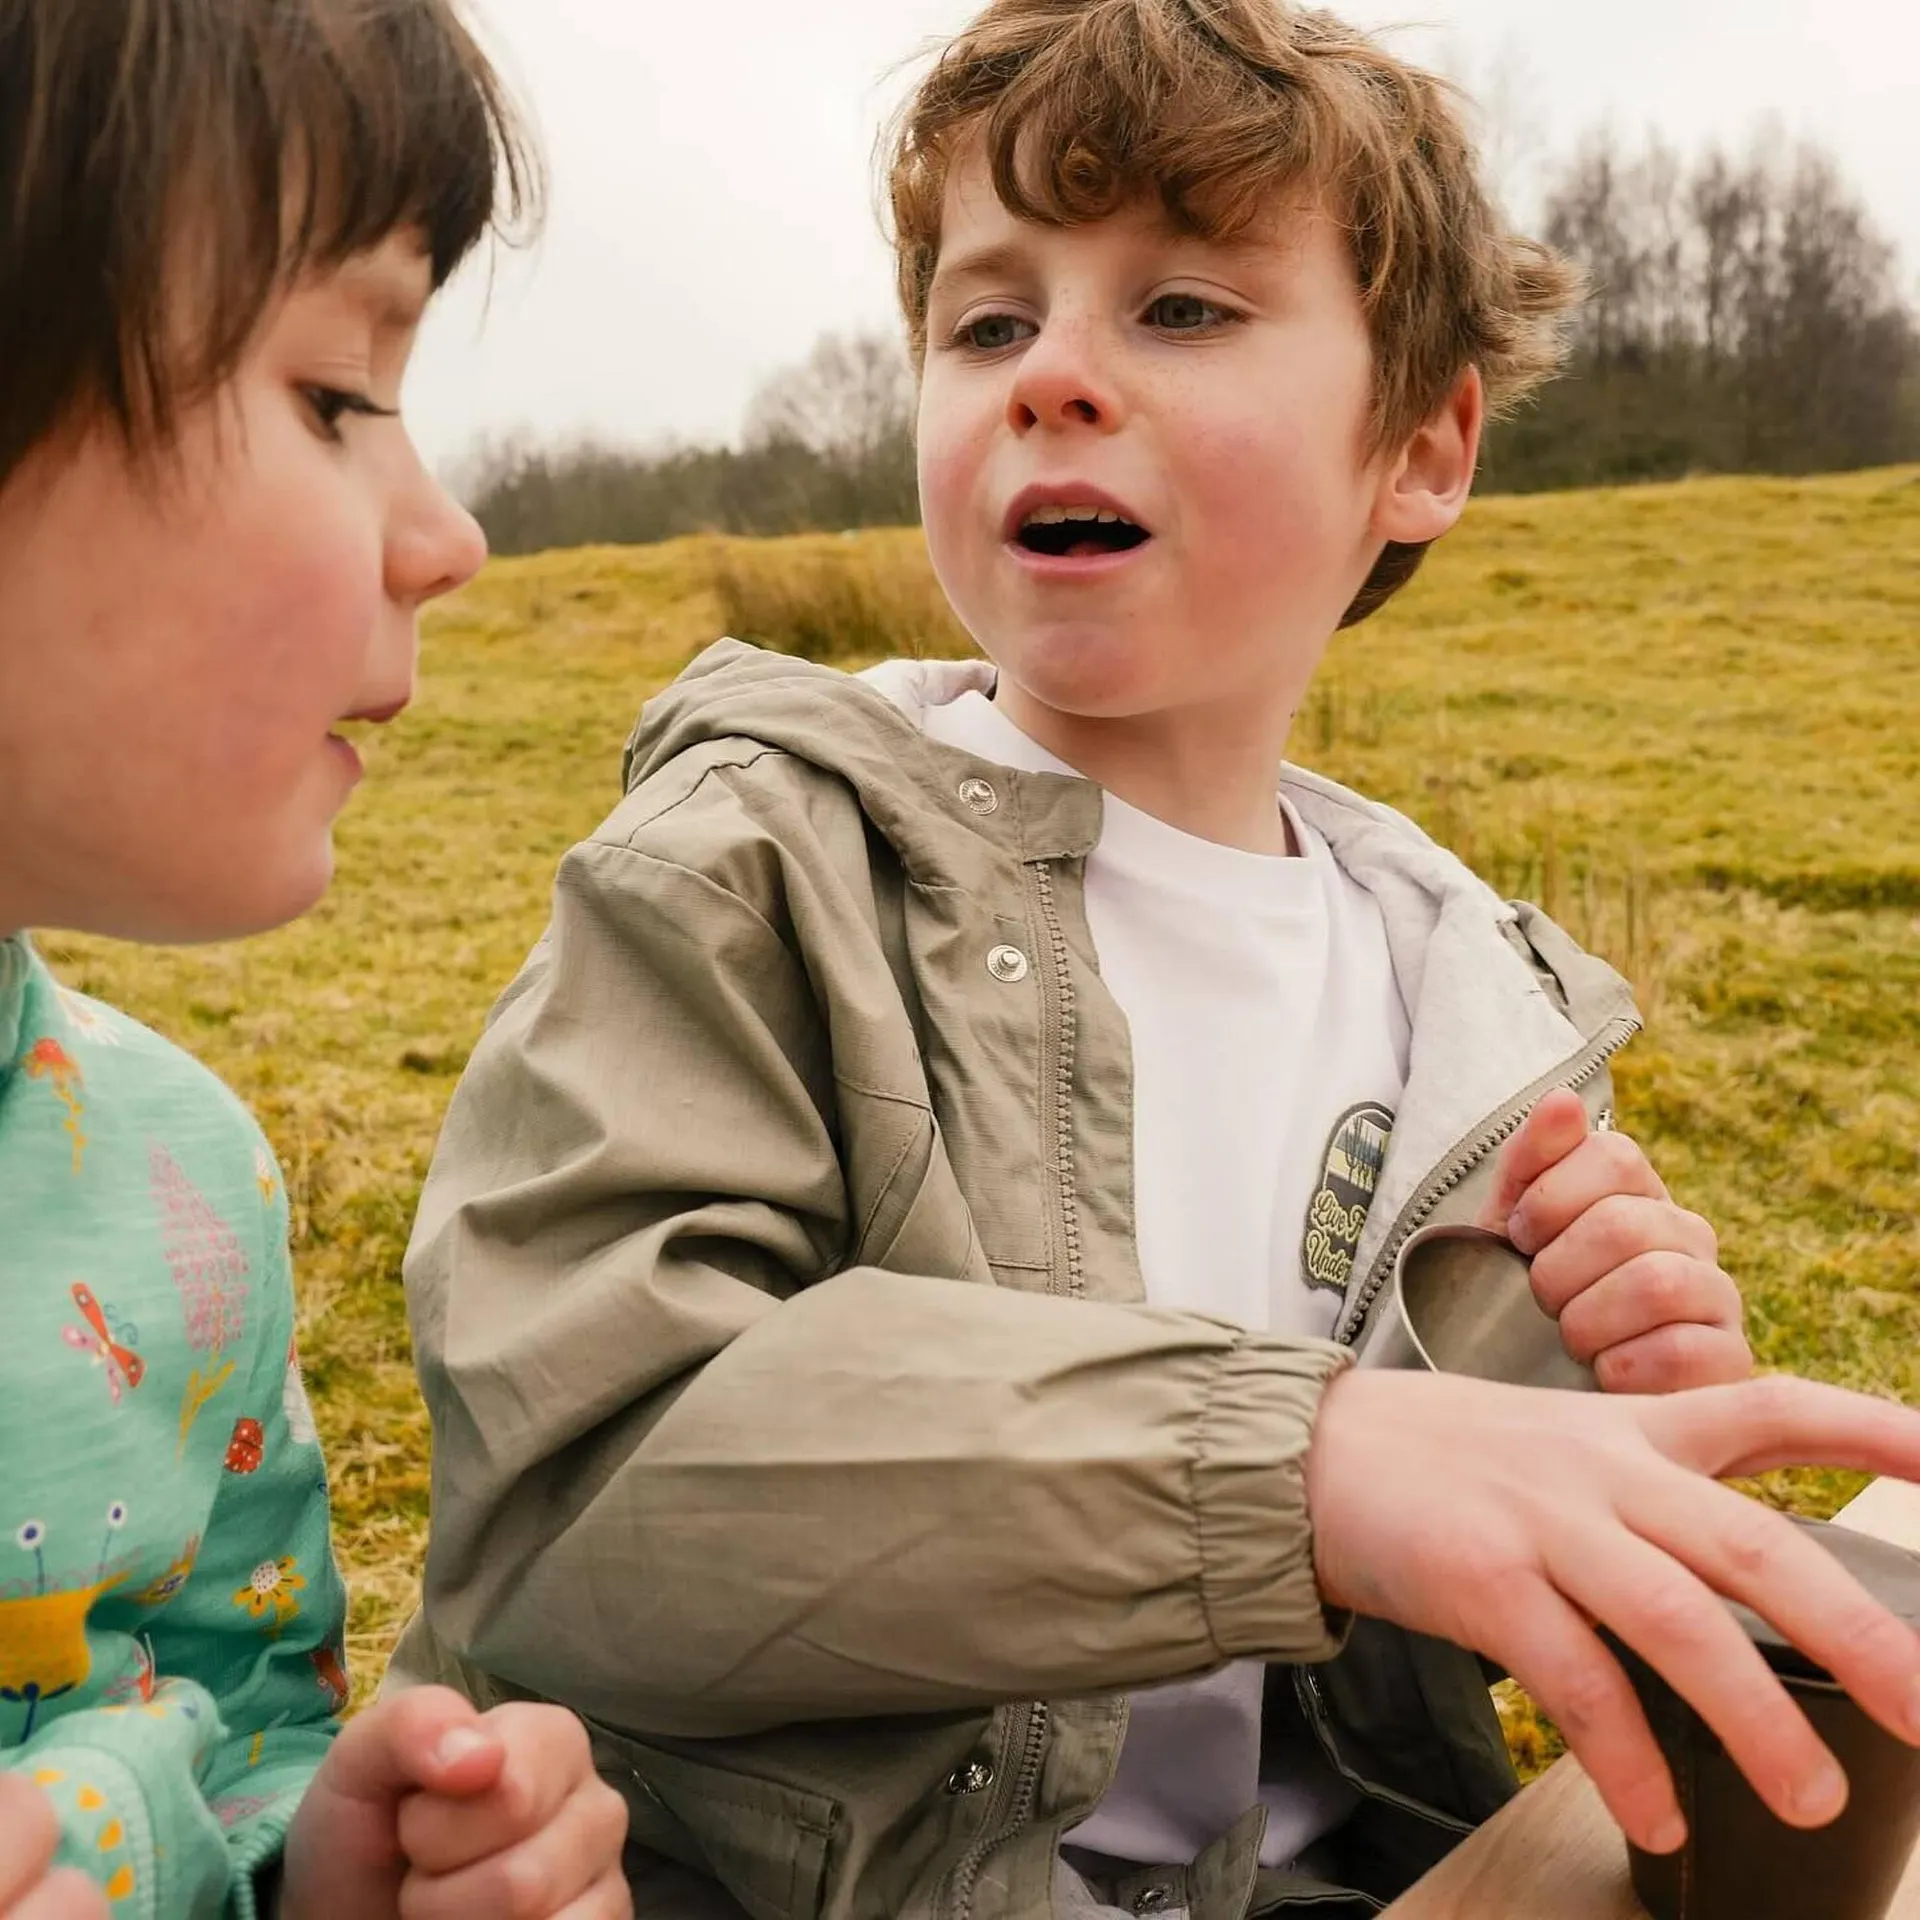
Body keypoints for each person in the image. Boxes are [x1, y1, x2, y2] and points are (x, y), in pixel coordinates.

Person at [392, 2, 1920, 1915]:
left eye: (1181, 308)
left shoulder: (1464, 1006)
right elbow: (573, 1493)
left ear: (1426, 445)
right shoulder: (748, 873)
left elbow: (1383, 1611)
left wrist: (1579, 1407)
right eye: (988, 320)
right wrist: (1310, 1463)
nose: (1052, 378)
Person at [0, 1, 633, 1913]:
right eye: (340, 393)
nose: (447, 534)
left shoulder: (183, 1179)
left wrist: (319, 1874)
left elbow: (242, 1722)